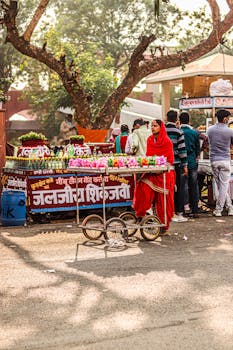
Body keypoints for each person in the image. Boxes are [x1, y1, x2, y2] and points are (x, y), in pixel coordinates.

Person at [133, 119, 175, 233]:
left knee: (163, 200)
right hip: (152, 171)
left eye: (155, 126)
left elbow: (170, 160)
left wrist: (159, 167)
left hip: (165, 174)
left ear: (161, 127)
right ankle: (141, 214)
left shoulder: (167, 141)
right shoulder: (150, 139)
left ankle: (164, 226)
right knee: (142, 186)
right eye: (151, 126)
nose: (152, 128)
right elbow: (149, 156)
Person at [207, 109, 233, 216]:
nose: (229, 119)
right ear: (225, 118)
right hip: (225, 160)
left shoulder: (210, 130)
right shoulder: (230, 131)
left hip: (213, 160)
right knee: (223, 186)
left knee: (221, 186)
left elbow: (208, 142)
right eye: (228, 118)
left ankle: (230, 207)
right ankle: (219, 209)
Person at [166, 110, 188, 222]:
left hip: (164, 165)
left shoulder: (162, 131)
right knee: (178, 188)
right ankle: (178, 212)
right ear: (176, 119)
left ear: (166, 118)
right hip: (177, 163)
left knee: (167, 188)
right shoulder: (179, 132)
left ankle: (167, 211)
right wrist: (185, 165)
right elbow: (182, 150)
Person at [179, 112, 200, 218]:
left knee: (182, 186)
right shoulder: (194, 133)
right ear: (189, 120)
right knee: (194, 186)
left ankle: (181, 210)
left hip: (181, 162)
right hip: (192, 161)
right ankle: (195, 210)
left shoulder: (179, 132)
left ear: (179, 120)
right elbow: (197, 149)